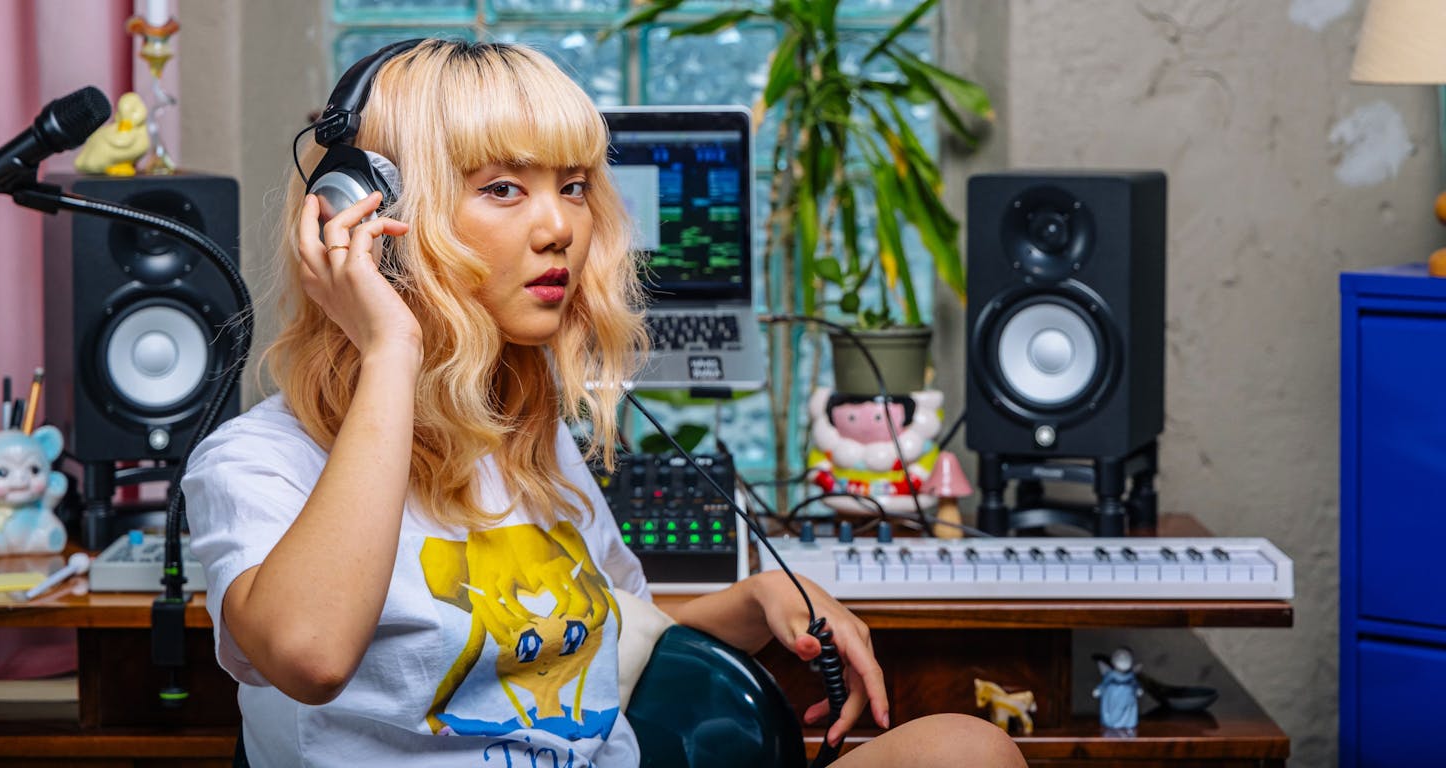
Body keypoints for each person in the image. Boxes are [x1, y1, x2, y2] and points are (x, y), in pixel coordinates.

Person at [183, 38, 1027, 768]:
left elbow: (598, 645)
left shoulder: (526, 445)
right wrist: (390, 348)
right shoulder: (259, 464)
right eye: (504, 189)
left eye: (576, 185)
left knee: (966, 747)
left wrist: (759, 598)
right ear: (366, 217)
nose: (562, 228)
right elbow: (311, 656)